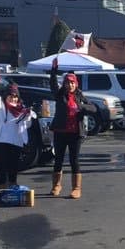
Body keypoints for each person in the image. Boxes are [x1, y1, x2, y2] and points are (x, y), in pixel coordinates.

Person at [49, 59, 98, 199]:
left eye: (72, 82)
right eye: (67, 82)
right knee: (58, 159)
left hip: (75, 133)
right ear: (64, 84)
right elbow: (52, 84)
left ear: (76, 84)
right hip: (60, 132)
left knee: (74, 160)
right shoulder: (60, 95)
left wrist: (82, 107)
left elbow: (94, 108)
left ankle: (76, 188)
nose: (70, 85)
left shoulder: (80, 96)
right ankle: (56, 186)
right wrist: (54, 70)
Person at [0, 72, 34, 191]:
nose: (13, 98)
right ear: (6, 96)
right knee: (2, 165)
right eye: (11, 96)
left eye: (15, 97)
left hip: (16, 141)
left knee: (14, 166)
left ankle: (13, 185)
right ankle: (3, 187)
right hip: (1, 141)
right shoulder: (0, 108)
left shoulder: (21, 110)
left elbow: (27, 126)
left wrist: (28, 116)